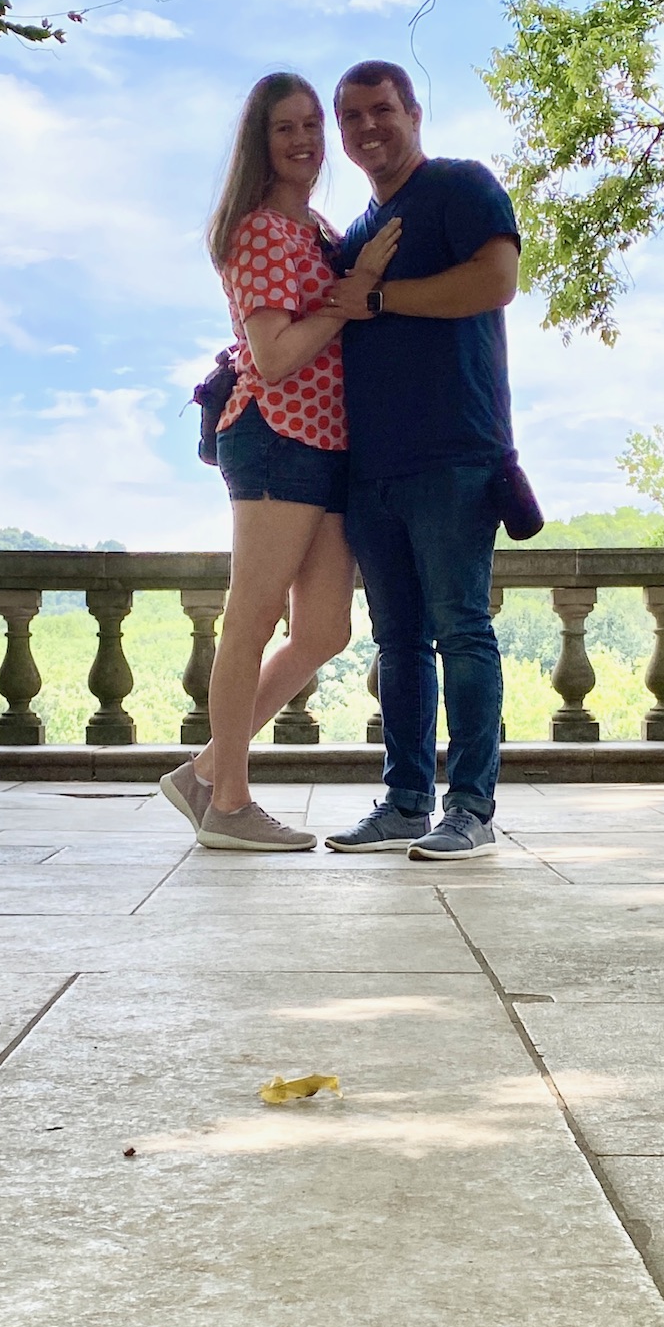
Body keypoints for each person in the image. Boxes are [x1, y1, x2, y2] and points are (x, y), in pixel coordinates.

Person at [160, 72, 401, 850]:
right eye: (285, 128)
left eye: (310, 126)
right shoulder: (261, 230)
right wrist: (353, 290)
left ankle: (203, 770)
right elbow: (272, 354)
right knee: (255, 615)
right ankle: (227, 802)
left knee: (325, 628)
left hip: (325, 444)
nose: (304, 140)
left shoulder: (316, 227)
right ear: (259, 143)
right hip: (275, 433)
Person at [320, 60, 521, 861]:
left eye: (382, 110)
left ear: (414, 110)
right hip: (371, 468)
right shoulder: (357, 237)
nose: (369, 128)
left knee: (461, 628)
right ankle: (407, 799)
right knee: (397, 640)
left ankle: (471, 807)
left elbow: (496, 279)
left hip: (455, 453)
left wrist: (379, 297)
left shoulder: (461, 187)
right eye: (352, 118)